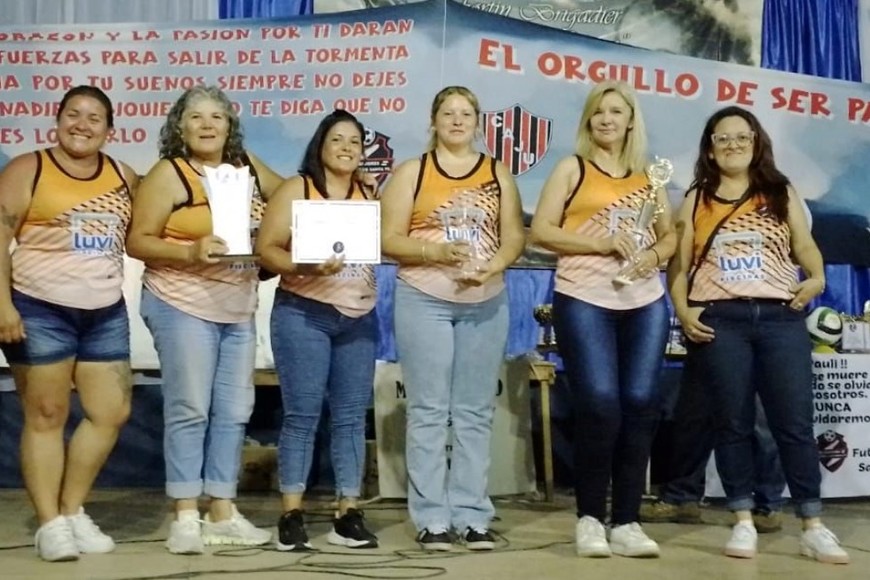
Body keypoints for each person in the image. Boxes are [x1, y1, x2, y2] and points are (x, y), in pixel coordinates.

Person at [667, 105, 848, 564]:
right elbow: (679, 265)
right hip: (721, 320)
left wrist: (817, 278)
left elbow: (806, 248)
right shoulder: (695, 198)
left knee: (794, 424)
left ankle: (812, 523)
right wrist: (683, 310)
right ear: (710, 147)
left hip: (779, 319)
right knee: (732, 422)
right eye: (722, 139)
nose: (732, 146)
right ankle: (742, 519)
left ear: (756, 143)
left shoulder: (779, 191)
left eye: (741, 138)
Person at [126, 85, 283, 555]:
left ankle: (223, 511)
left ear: (231, 125)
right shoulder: (169, 173)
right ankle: (185, 514)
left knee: (235, 411)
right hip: (182, 303)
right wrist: (188, 251)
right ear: (180, 127)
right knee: (190, 408)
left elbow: (296, 196)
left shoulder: (249, 168)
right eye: (197, 117)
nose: (209, 124)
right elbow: (138, 241)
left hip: (237, 306)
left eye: (218, 116)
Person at [529, 80, 675, 558]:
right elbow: (543, 230)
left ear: (631, 120)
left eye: (616, 111)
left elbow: (669, 238)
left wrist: (651, 255)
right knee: (599, 404)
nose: (607, 119)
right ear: (589, 121)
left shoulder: (649, 178)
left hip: (644, 301)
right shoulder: (572, 168)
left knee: (640, 403)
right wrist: (601, 244)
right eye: (599, 112)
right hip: (584, 296)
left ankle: (628, 521)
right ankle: (591, 517)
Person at [380, 86, 525, 551]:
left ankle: (472, 513)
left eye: (466, 113)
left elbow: (514, 236)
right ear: (434, 120)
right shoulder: (412, 173)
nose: (457, 120)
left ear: (478, 122)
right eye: (448, 112)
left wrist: (496, 263)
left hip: (485, 299)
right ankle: (431, 518)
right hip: (425, 298)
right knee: (428, 410)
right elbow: (388, 238)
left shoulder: (497, 172)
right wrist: (435, 251)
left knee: (474, 412)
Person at [0, 85, 139, 562]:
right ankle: (49, 524)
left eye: (94, 117)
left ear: (109, 129)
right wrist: (3, 306)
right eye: (73, 115)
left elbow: (148, 231)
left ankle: (72, 509)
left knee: (111, 412)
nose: (82, 124)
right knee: (46, 415)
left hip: (103, 311)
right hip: (39, 307)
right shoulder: (28, 168)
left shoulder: (123, 174)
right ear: (57, 122)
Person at [256, 110, 379, 551]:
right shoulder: (298, 189)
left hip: (359, 317)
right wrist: (302, 264)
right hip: (304, 312)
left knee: (350, 419)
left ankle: (348, 514)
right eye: (337, 140)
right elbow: (266, 249)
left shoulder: (368, 191)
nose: (346, 148)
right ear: (320, 147)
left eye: (354, 141)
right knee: (302, 416)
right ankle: (291, 514)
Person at [641, 361, 786, 533]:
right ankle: (682, 498)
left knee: (760, 422)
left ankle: (767, 505)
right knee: (693, 418)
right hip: (706, 345)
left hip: (757, 343)